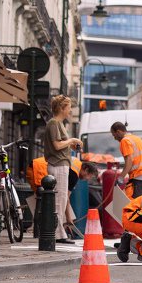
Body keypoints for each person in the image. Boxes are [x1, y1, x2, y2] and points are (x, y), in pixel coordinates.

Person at [43, 95, 82, 244]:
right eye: (69, 107)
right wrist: (71, 140)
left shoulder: (59, 124)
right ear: (61, 108)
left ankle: (59, 232)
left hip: (62, 164)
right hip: (58, 165)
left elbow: (60, 144)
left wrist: (71, 145)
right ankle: (58, 234)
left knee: (60, 199)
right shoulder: (54, 123)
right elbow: (57, 145)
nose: (71, 110)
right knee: (59, 201)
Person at [28, 157, 99, 237]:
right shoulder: (74, 173)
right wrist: (68, 217)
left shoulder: (76, 163)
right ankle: (40, 230)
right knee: (44, 199)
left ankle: (39, 229)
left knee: (45, 199)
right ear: (86, 170)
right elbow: (65, 197)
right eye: (90, 176)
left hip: (36, 165)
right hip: (38, 169)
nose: (88, 179)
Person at [110, 122, 142, 198]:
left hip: (138, 177)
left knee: (135, 206)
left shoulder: (125, 141)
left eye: (114, 135)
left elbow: (129, 160)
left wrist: (121, 177)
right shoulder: (137, 139)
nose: (115, 138)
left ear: (118, 132)